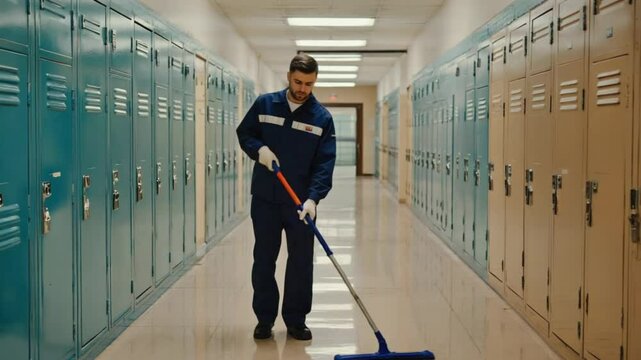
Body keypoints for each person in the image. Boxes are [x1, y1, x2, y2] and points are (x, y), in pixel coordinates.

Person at [236, 53, 337, 341]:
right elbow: (245, 133)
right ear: (289, 76)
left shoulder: (322, 118)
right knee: (264, 259)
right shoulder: (266, 104)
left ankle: (295, 320)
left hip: (300, 205)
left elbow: (324, 163)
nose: (303, 88)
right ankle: (264, 319)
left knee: (301, 262)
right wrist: (259, 151)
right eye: (298, 81)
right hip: (266, 200)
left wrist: (314, 199)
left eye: (309, 83)